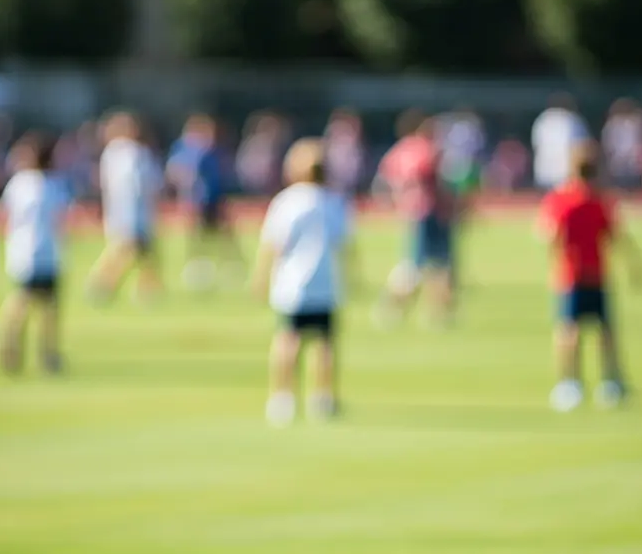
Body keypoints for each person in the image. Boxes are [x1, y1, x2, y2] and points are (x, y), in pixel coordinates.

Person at [538, 141, 642, 412]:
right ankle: (611, 381)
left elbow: (549, 234)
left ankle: (570, 382)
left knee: (569, 330)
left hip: (570, 274)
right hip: (596, 273)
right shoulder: (599, 201)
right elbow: (616, 237)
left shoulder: (562, 199)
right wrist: (636, 268)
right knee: (605, 331)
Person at [252, 138, 353, 427]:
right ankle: (323, 398)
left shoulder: (287, 201)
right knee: (324, 343)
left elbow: (273, 245)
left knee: (288, 339)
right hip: (324, 282)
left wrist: (261, 279)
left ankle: (283, 397)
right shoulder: (333, 201)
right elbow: (342, 243)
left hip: (292, 283)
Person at [0, 134, 72, 376]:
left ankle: (11, 346)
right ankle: (48, 354)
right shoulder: (53, 185)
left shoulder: (18, 183)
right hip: (47, 251)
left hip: (21, 251)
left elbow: (1, 218)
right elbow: (62, 218)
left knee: (22, 300)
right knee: (48, 307)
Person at [373, 111, 457, 329]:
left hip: (413, 211)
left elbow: (384, 180)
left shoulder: (399, 150)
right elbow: (432, 180)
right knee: (432, 265)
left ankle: (431, 313)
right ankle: (430, 313)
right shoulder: (426, 150)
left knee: (423, 265)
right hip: (430, 212)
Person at [87, 113, 164, 305]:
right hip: (133, 211)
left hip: (120, 210)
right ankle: (101, 285)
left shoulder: (112, 153)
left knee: (144, 254)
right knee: (125, 251)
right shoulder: (134, 153)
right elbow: (139, 185)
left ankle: (147, 291)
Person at [167, 114, 243, 291]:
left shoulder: (212, 150)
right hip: (196, 201)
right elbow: (175, 171)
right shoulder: (185, 150)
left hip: (214, 199)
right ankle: (197, 267)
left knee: (225, 235)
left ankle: (231, 266)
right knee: (197, 237)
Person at [531, 94, 589, 190]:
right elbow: (580, 149)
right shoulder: (573, 120)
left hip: (543, 173)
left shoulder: (542, 119)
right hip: (566, 175)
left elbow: (535, 146)